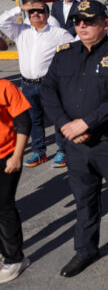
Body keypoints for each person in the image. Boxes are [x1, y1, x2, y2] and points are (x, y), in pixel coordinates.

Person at [40, 0, 108, 277]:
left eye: (89, 21)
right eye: (78, 21)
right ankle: (86, 250)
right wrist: (66, 126)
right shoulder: (64, 53)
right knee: (84, 200)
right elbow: (49, 92)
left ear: (105, 23)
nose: (82, 25)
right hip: (76, 145)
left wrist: (86, 123)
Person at [0, 0, 73, 168]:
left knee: (57, 117)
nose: (35, 14)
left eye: (39, 11)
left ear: (47, 15)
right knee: (33, 119)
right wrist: (21, 7)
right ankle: (39, 152)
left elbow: (74, 54)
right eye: (31, 12)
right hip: (27, 84)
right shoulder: (21, 31)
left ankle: (62, 151)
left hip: (50, 84)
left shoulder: (59, 34)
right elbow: (2, 21)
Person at [0, 80, 32, 284]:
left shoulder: (5, 87)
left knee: (3, 208)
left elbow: (23, 122)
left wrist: (17, 156)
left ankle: (15, 259)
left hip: (5, 157)